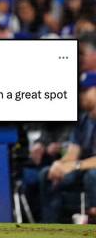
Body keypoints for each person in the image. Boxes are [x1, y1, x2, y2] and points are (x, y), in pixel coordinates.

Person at [39, 72, 96, 223]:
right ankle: (51, 227)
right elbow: (73, 152)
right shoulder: (84, 119)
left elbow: (77, 163)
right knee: (48, 174)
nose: (82, 96)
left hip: (89, 170)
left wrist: (75, 165)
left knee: (93, 175)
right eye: (81, 91)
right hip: (84, 168)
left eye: (87, 90)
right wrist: (60, 164)